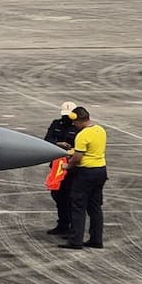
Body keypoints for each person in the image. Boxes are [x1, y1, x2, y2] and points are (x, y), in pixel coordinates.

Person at [60, 106, 107, 250]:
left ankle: (76, 241)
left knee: (78, 207)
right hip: (101, 170)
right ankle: (96, 239)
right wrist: (72, 151)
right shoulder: (100, 130)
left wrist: (67, 166)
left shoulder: (82, 135)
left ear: (78, 120)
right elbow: (90, 150)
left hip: (86, 173)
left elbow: (78, 158)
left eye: (74, 122)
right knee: (95, 208)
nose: (73, 125)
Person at [44, 101, 78, 236]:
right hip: (57, 165)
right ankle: (63, 223)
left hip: (72, 166)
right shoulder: (56, 124)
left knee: (71, 196)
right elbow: (47, 139)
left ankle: (72, 226)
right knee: (57, 194)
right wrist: (58, 144)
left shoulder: (79, 128)